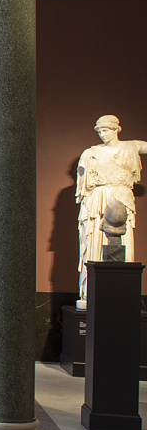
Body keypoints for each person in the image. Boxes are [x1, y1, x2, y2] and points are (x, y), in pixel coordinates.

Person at [75, 115, 146, 303]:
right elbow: (84, 188)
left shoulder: (130, 147)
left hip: (121, 197)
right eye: (99, 131)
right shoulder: (91, 153)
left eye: (105, 130)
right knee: (95, 243)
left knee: (121, 242)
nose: (102, 134)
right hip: (98, 200)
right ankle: (93, 293)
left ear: (116, 129)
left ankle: (122, 294)